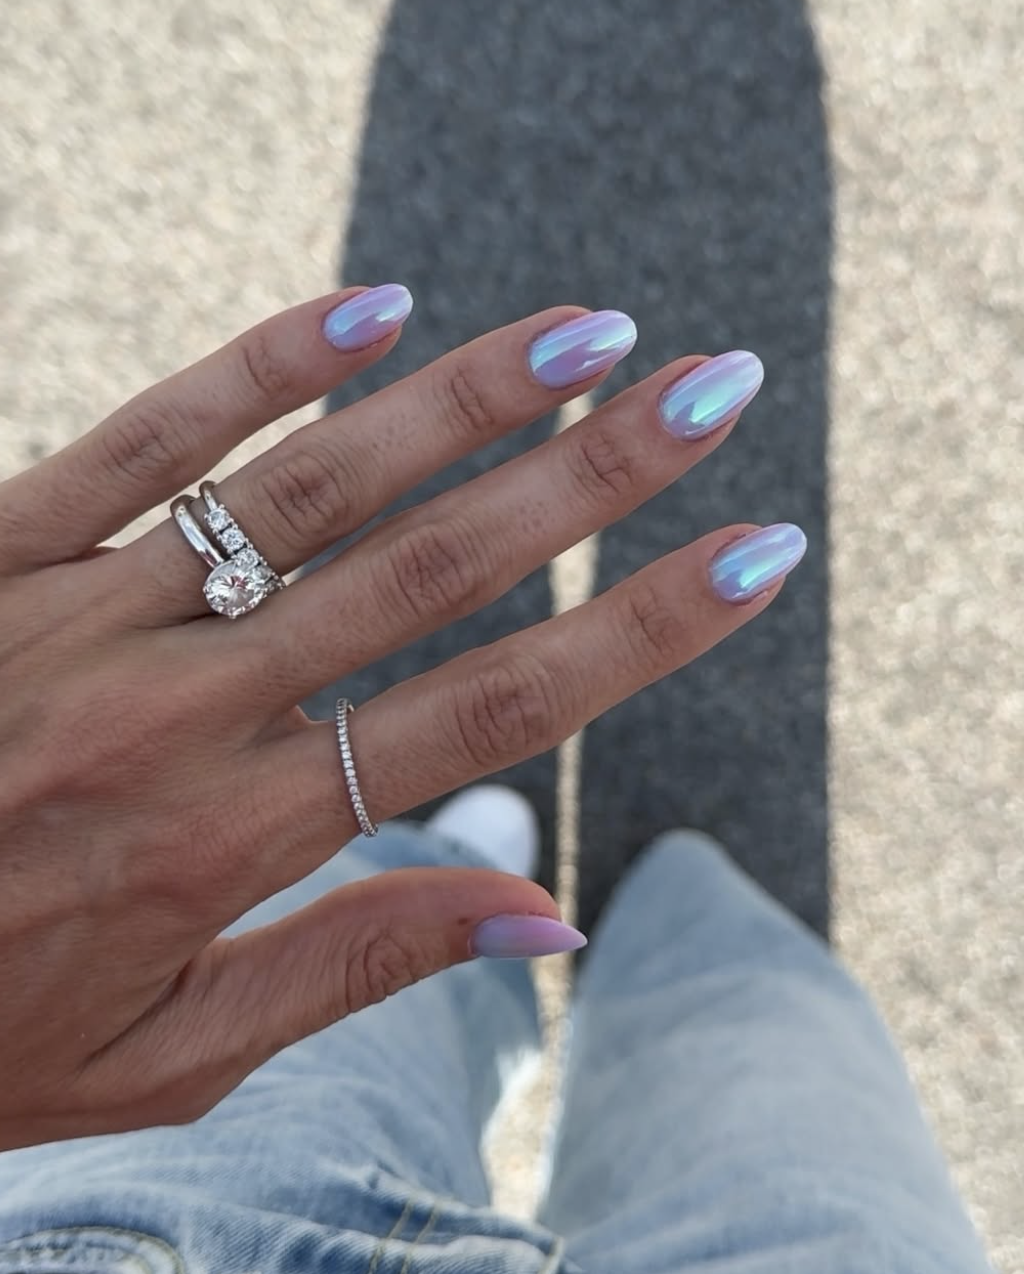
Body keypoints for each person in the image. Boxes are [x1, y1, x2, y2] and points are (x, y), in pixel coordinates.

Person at [0, 287, 990, 1272]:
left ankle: (465, 889)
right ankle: (656, 901)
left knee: (250, 892)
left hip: (141, 1212)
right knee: (742, 990)